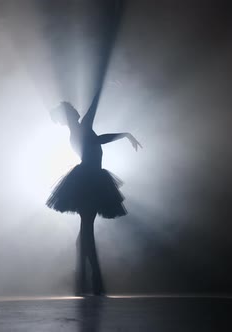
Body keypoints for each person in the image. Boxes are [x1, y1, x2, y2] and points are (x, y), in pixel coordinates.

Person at [47, 93, 141, 295]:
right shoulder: (80, 129)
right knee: (87, 229)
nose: (76, 111)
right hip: (89, 180)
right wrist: (125, 134)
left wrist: (125, 134)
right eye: (72, 110)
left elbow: (95, 120)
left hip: (89, 179)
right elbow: (96, 120)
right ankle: (93, 279)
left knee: (86, 230)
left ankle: (85, 279)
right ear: (69, 116)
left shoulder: (78, 129)